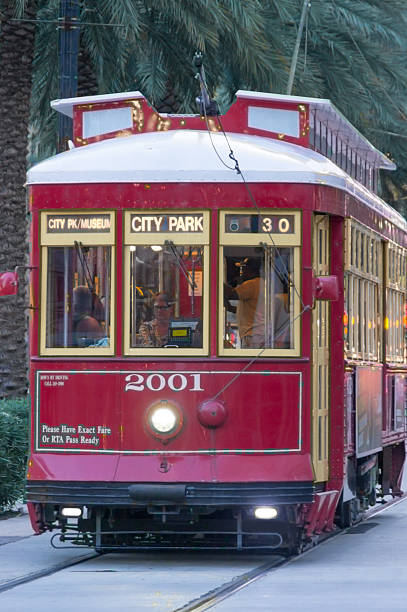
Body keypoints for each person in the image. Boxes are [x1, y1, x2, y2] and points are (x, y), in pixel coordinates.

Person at [224, 258, 265, 348]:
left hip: (252, 335)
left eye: (244, 269)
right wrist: (229, 307)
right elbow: (249, 310)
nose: (241, 272)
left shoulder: (251, 284)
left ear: (251, 269)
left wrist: (217, 279)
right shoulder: (261, 283)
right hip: (257, 334)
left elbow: (231, 294)